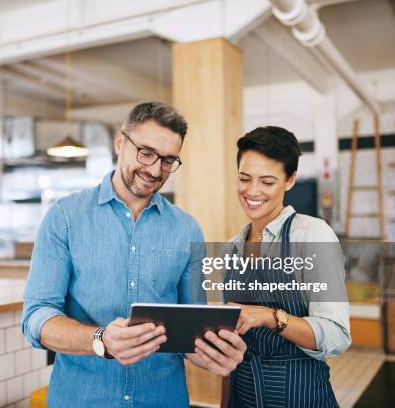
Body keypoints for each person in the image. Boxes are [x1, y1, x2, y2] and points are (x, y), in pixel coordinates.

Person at [22, 102, 246, 408]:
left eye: (168, 160)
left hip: (162, 399)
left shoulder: (187, 229)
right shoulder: (64, 218)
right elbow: (37, 318)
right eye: (147, 152)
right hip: (81, 399)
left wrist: (213, 356)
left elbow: (189, 332)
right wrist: (100, 340)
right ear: (120, 143)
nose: (155, 170)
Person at [225, 126, 351, 408]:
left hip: (300, 395)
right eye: (245, 179)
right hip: (240, 396)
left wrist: (269, 316)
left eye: (267, 182)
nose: (252, 191)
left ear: (290, 180)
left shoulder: (311, 235)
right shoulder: (232, 246)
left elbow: (336, 335)